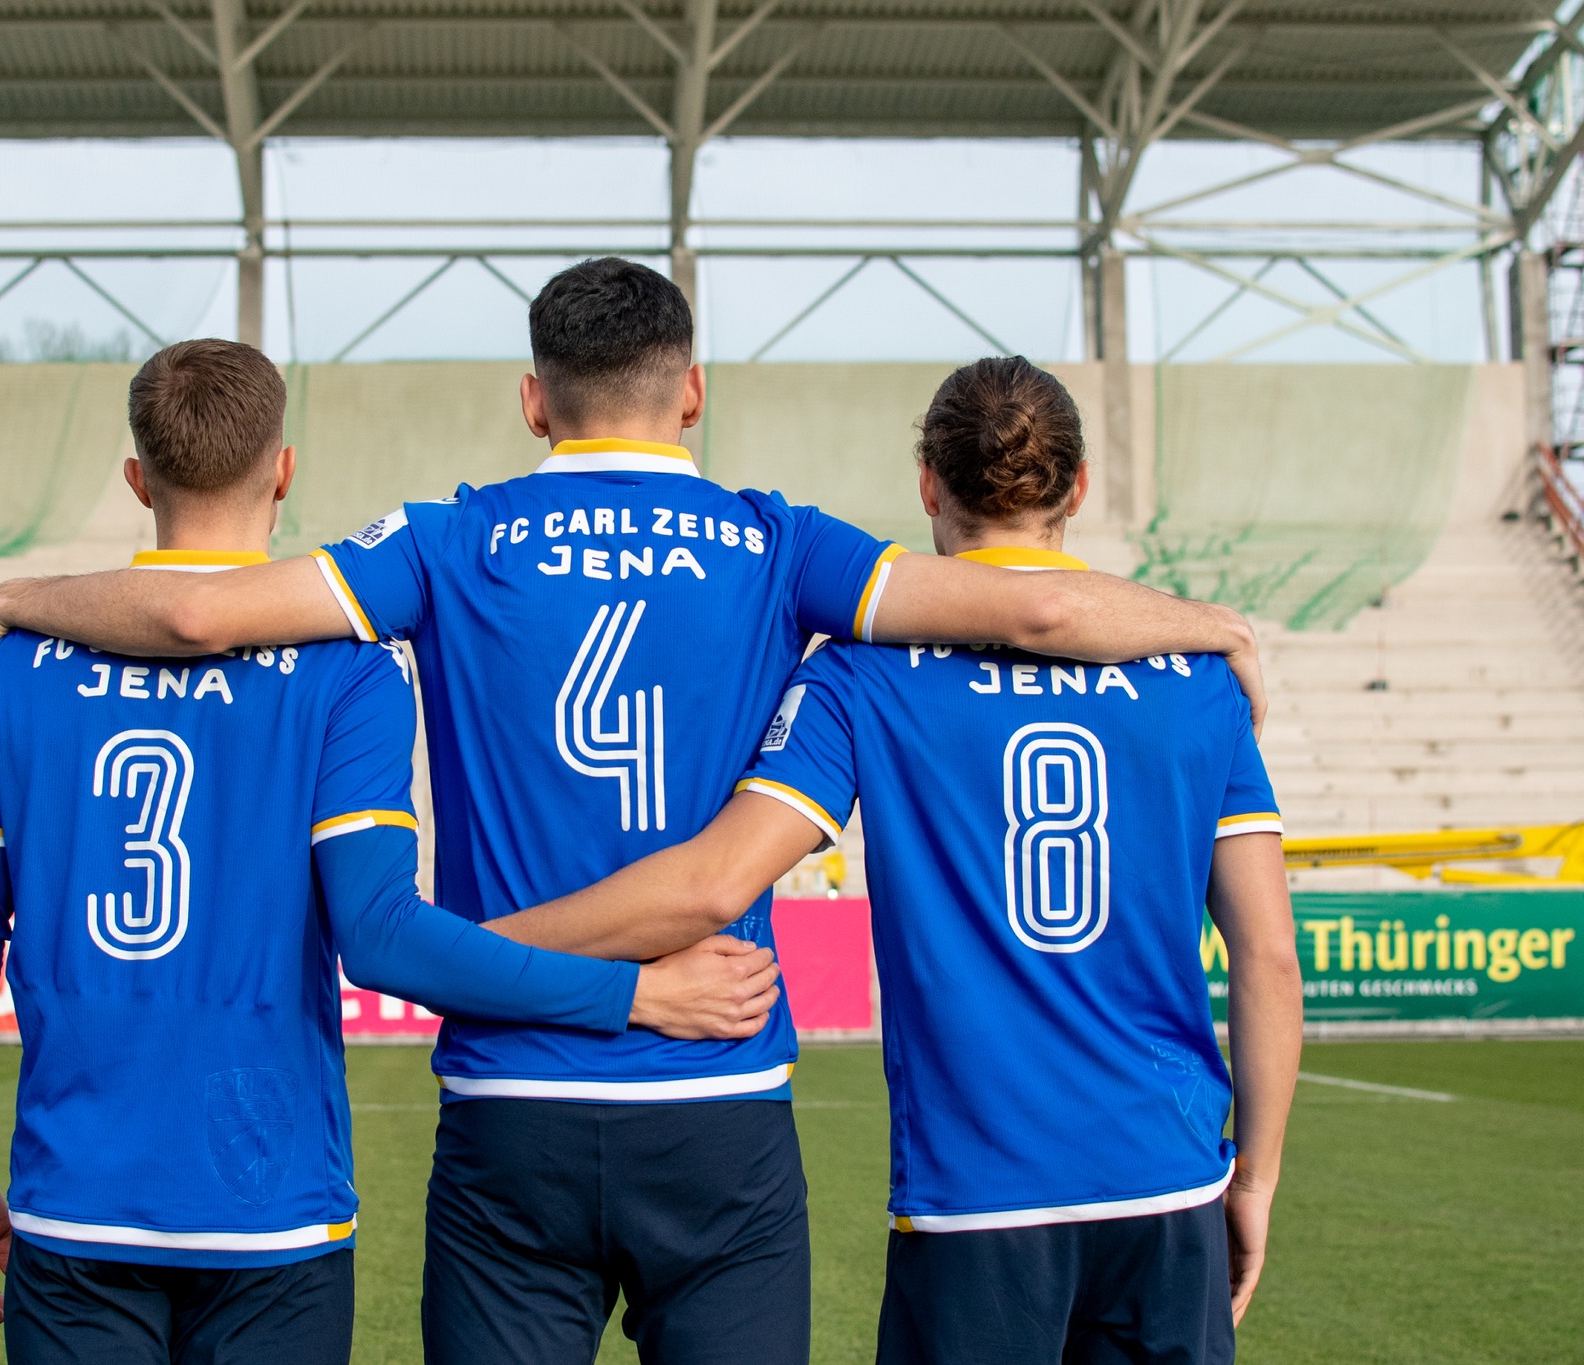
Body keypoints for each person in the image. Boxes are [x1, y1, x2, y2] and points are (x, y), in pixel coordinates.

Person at [0, 260, 1267, 1365]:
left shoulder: (451, 540)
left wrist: (16, 598)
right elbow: (1040, 605)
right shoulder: (780, 544)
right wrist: (1212, 627)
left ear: (533, 401)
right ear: (692, 393)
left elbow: (197, 613)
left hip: (512, 1101)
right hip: (718, 1092)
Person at [0, 338, 780, 1365]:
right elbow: (381, 936)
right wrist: (631, 993)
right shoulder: (348, 668)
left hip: (73, 1206)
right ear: (284, 470)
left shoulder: (15, 671)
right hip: (271, 1204)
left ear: (138, 479)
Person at [491, 356, 1305, 1365]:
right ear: (1079, 487)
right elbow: (1267, 956)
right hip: (1168, 1184)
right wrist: (1253, 1177)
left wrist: (468, 950)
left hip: (978, 1197)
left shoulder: (862, 673)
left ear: (927, 484)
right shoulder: (1198, 679)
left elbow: (715, 881)